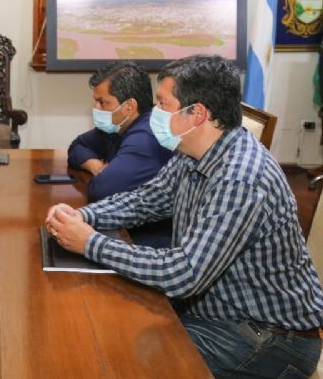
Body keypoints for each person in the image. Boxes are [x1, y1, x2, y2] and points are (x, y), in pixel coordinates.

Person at [46, 55, 323, 378]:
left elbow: (185, 273)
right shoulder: (193, 151)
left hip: (268, 338)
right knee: (108, 326)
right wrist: (83, 216)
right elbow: (147, 200)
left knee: (117, 354)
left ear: (197, 113)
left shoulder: (241, 176)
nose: (155, 114)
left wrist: (90, 243)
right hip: (217, 314)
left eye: (163, 104)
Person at [67, 61, 173, 247]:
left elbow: (101, 191)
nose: (96, 109)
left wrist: (106, 176)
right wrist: (96, 165)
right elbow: (77, 146)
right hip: (124, 226)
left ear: (129, 106)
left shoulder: (145, 138)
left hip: (148, 241)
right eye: (95, 101)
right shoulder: (117, 126)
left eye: (102, 102)